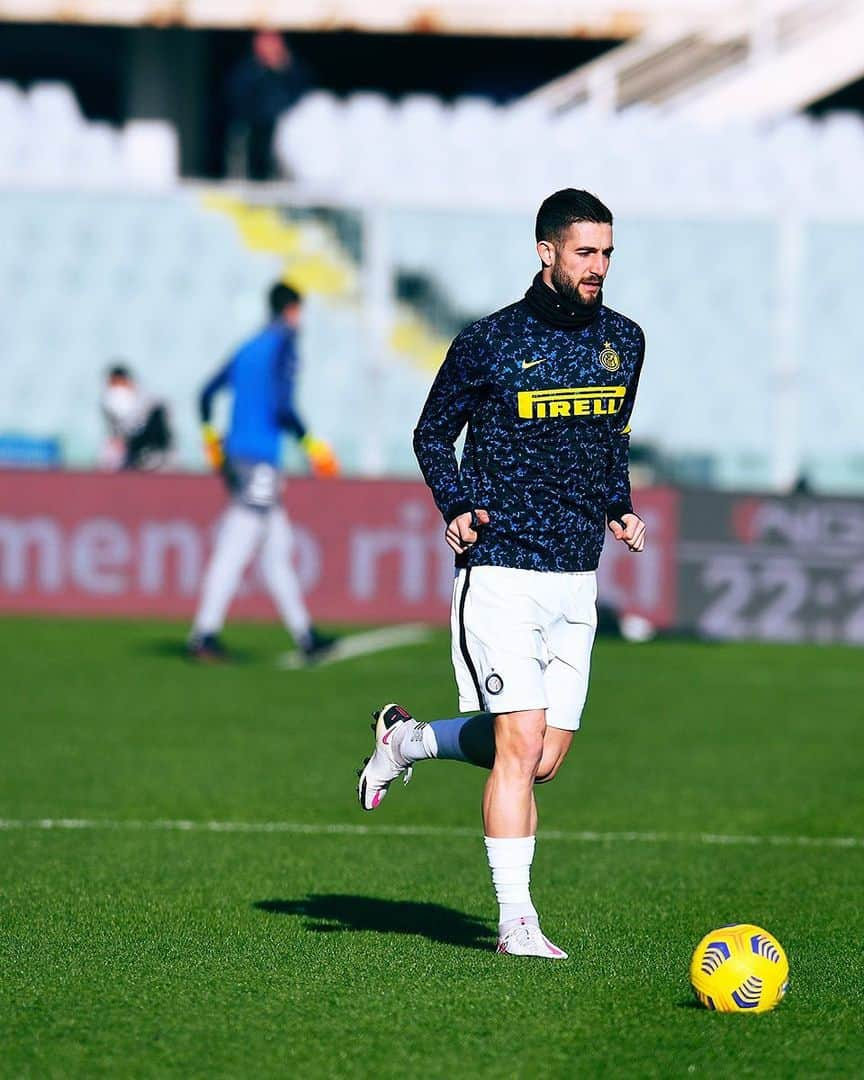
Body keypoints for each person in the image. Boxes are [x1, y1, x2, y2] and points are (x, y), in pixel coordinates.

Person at [356, 190, 647, 959]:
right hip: (500, 570)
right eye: (585, 252)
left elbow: (609, 439)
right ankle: (517, 921)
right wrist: (454, 504)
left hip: (575, 575)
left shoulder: (626, 341)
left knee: (541, 759)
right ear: (546, 250)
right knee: (520, 741)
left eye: (607, 253)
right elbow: (430, 433)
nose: (598, 268)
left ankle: (407, 741)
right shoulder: (489, 342)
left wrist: (618, 507)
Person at [188, 281, 340, 663]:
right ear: (291, 310)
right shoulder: (283, 344)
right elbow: (282, 404)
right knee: (236, 546)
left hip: (238, 455)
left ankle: (305, 634)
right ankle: (204, 633)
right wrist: (311, 445)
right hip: (259, 457)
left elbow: (205, 394)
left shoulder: (248, 346)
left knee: (276, 549)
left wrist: (211, 441)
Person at [225, 30, 310, 180]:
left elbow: (305, 96)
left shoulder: (292, 70)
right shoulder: (248, 70)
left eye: (272, 42)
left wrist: (282, 67)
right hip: (253, 129)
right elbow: (236, 95)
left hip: (285, 127)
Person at [100, 364, 173, 471]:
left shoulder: (146, 398)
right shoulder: (110, 398)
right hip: (126, 445)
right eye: (114, 383)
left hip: (149, 442)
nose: (118, 388)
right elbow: (119, 425)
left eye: (120, 382)